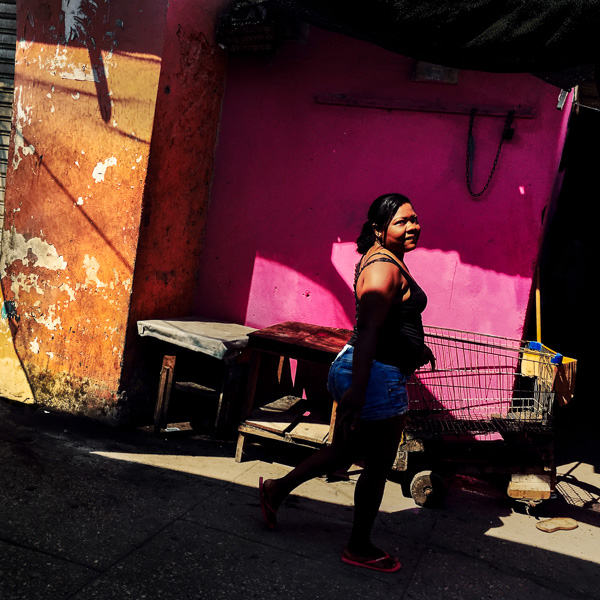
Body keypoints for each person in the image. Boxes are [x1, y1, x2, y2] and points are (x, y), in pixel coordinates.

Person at [259, 193, 435, 574]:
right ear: (378, 229)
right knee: (376, 465)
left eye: (414, 219)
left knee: (343, 452)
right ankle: (358, 546)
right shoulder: (382, 268)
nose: (413, 226)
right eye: (402, 221)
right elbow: (370, 329)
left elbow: (388, 323)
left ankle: (275, 490)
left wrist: (414, 350)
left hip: (371, 370)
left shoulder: (384, 261)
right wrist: (358, 390)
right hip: (374, 375)